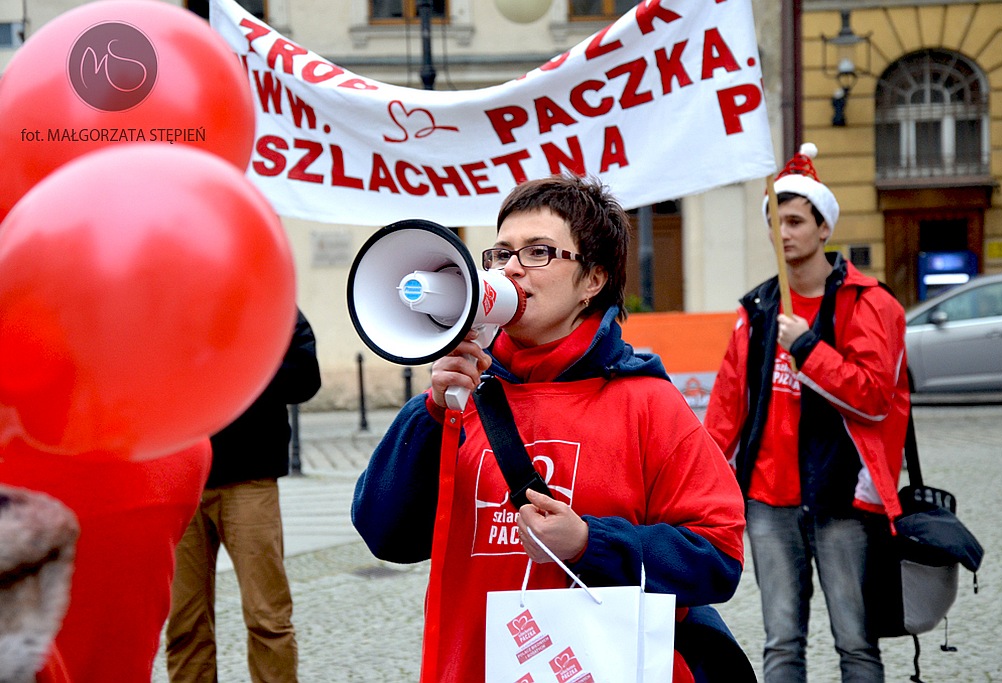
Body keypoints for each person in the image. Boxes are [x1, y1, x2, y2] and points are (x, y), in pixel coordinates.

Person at [351, 174, 747, 683]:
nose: (512, 269)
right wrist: (429, 413)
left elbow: (717, 557)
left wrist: (589, 543)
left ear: (593, 281)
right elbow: (386, 536)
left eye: (538, 252)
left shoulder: (648, 403)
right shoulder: (461, 398)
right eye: (500, 254)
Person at [703, 143, 911, 683]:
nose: (783, 232)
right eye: (775, 221)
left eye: (796, 220)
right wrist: (704, 482)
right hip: (769, 502)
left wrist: (807, 349)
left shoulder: (871, 303)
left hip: (842, 497)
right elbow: (726, 409)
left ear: (825, 229)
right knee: (780, 645)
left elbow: (873, 396)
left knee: (856, 644)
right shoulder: (756, 310)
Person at [166, 309, 321, 683]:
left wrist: (240, 361)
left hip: (248, 477)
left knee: (267, 617)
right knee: (184, 625)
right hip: (178, 479)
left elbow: (305, 378)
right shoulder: (163, 296)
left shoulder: (264, 298)